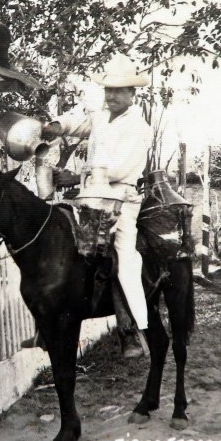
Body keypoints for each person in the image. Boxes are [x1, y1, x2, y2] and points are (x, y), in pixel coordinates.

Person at [42, 53, 153, 358]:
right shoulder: (102, 117)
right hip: (91, 197)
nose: (112, 95)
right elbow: (78, 122)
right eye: (109, 89)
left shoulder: (139, 128)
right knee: (60, 243)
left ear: (133, 93)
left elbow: (118, 169)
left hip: (121, 199)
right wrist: (55, 126)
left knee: (118, 256)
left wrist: (75, 175)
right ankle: (50, 322)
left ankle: (129, 330)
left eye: (120, 90)